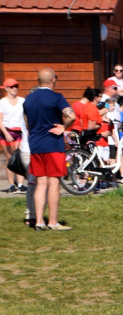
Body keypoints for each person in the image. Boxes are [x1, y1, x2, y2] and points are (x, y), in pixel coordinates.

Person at [22, 68, 75, 231]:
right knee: (53, 182)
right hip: (53, 144)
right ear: (53, 80)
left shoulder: (28, 99)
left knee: (40, 182)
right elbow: (71, 115)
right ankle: (52, 221)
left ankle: (38, 221)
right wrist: (63, 127)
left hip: (36, 144)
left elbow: (27, 123)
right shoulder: (56, 97)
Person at [1, 78, 27, 192]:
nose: (15, 88)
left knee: (20, 158)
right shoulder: (2, 102)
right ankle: (12, 185)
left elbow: (26, 117)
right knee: (10, 159)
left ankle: (20, 185)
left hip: (20, 132)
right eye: (12, 87)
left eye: (16, 86)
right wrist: (6, 134)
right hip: (7, 132)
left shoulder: (22, 101)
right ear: (6, 88)